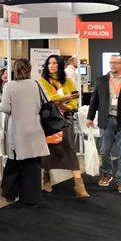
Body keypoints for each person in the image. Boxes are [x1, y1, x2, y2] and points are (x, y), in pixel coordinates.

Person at [0, 59, 50, 206]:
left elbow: (6, 108)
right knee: (33, 164)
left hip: (18, 130)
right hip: (35, 129)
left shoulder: (9, 86)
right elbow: (47, 102)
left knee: (13, 163)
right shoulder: (37, 84)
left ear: (15, 70)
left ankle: (10, 192)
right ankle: (32, 197)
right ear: (29, 69)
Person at [38, 54, 89, 198]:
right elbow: (48, 99)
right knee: (49, 149)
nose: (52, 66)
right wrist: (64, 98)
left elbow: (75, 97)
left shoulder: (67, 81)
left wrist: (68, 106)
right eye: (49, 63)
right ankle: (46, 176)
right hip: (49, 120)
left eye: (55, 63)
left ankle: (79, 185)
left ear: (60, 65)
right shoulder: (42, 81)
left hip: (66, 118)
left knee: (70, 148)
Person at [86, 54, 121, 194]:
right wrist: (90, 117)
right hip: (106, 120)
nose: (112, 65)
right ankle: (107, 174)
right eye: (111, 62)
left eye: (116, 63)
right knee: (104, 150)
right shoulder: (101, 80)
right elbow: (94, 100)